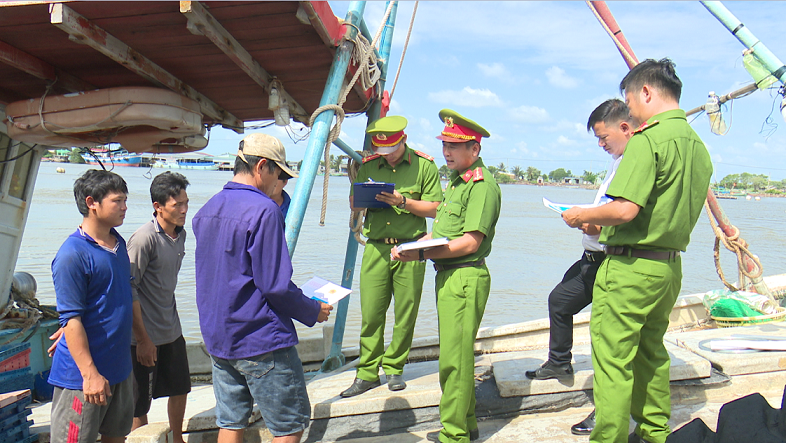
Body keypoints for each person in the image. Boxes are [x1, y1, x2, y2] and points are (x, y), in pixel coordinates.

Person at [562, 58, 713, 443]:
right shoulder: (698, 148)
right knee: (651, 353)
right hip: (668, 269)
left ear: (645, 92)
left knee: (613, 360)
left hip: (630, 268)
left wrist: (582, 213)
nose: (629, 108)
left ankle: (608, 437)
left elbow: (625, 208)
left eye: (629, 99)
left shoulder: (648, 141)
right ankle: (654, 432)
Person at [192, 133, 333, 443]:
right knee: (289, 425)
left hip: (219, 338)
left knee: (230, 422)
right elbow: (275, 285)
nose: (280, 183)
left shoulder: (208, 209)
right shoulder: (264, 210)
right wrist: (312, 310)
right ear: (262, 167)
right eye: (280, 175)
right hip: (260, 339)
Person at [524, 99, 634, 436]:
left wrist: (589, 222)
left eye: (604, 137)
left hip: (609, 260)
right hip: (590, 259)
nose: (602, 145)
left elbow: (621, 215)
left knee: (607, 341)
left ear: (624, 128)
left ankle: (608, 411)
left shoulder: (632, 165)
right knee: (560, 301)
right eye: (598, 140)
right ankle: (560, 361)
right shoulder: (618, 163)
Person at [392, 109, 501, 443]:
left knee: (454, 361)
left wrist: (421, 253)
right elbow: (444, 231)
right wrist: (416, 243)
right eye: (445, 145)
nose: (447, 152)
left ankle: (453, 435)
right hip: (450, 277)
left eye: (455, 146)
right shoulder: (456, 184)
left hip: (465, 277)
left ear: (475, 150)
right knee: (457, 355)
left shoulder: (481, 185)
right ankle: (465, 425)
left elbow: (470, 242)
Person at [340, 116, 442, 398]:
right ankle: (367, 372)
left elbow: (436, 209)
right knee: (371, 312)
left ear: (404, 140)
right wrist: (367, 197)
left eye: (392, 150)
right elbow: (353, 202)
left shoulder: (425, 166)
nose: (388, 155)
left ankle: (395, 367)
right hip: (375, 247)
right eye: (382, 151)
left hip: (411, 246)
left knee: (405, 311)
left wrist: (402, 202)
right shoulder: (369, 166)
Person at [48, 169, 134, 443]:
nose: (124, 207)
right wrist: (90, 374)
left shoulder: (118, 244)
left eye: (125, 200)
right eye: (117, 201)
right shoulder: (72, 254)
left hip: (119, 370)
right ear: (91, 203)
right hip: (82, 379)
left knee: (116, 436)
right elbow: (71, 319)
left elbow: (111, 299)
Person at [127, 171, 191, 443]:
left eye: (187, 202)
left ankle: (177, 439)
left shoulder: (181, 235)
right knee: (139, 403)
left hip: (171, 330)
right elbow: (128, 289)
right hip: (143, 337)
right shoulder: (143, 239)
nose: (184, 210)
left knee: (181, 388)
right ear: (158, 207)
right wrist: (142, 340)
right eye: (177, 205)